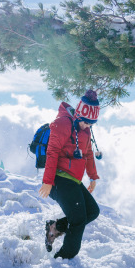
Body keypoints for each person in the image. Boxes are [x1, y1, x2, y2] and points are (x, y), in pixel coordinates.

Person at [38, 90, 101, 259]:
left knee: (92, 211)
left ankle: (55, 227)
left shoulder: (86, 131)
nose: (88, 126)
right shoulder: (63, 123)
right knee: (78, 220)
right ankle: (64, 259)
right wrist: (48, 181)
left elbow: (88, 154)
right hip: (59, 179)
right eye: (86, 122)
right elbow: (52, 152)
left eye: (91, 124)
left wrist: (93, 177)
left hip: (73, 180)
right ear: (79, 116)